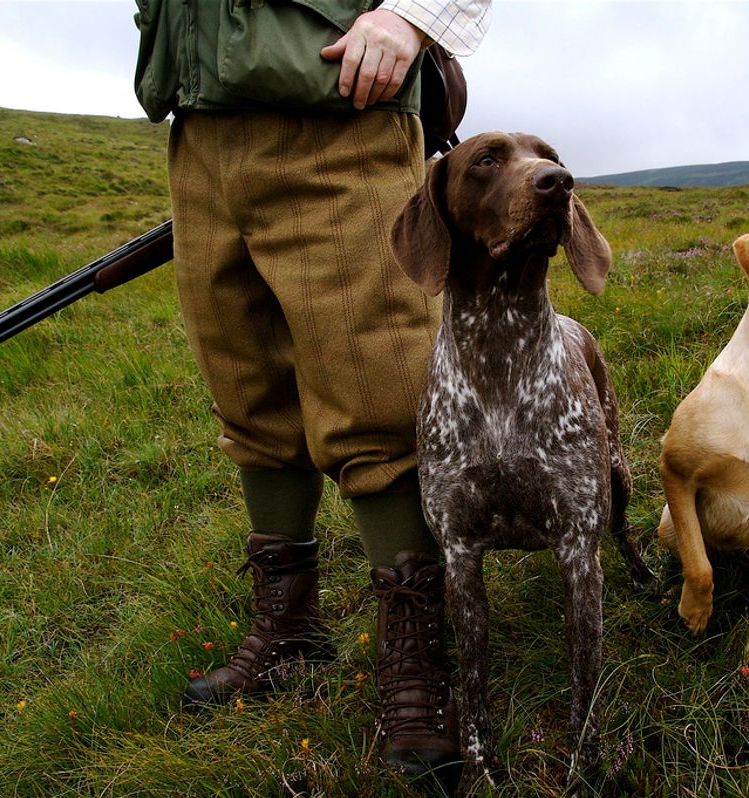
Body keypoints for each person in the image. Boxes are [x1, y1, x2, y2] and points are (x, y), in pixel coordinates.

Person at [131, 0, 491, 780]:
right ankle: (288, 628)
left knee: (380, 390)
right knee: (247, 386)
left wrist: (411, 18)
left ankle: (416, 665)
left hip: (341, 115)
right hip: (200, 132)